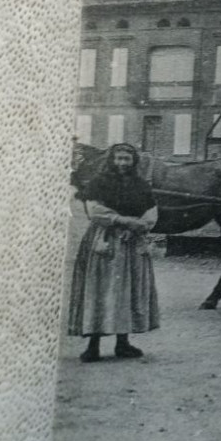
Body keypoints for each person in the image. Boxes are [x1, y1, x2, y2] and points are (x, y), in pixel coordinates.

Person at [68, 143, 160, 362]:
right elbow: (95, 211)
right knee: (99, 291)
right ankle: (93, 346)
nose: (122, 163)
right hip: (104, 242)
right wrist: (124, 221)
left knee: (128, 290)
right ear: (111, 160)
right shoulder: (99, 183)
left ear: (133, 161)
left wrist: (140, 225)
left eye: (126, 159)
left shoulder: (141, 185)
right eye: (118, 158)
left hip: (131, 244)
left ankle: (123, 343)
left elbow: (151, 211)